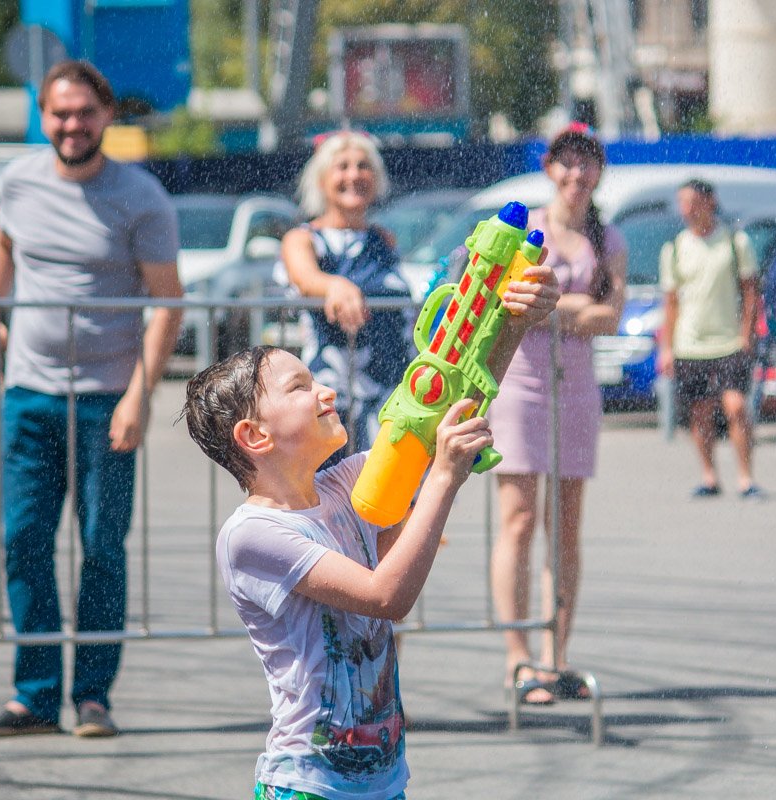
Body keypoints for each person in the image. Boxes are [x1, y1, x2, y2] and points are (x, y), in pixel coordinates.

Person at [181, 249, 556, 799]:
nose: (325, 391)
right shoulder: (253, 535)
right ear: (254, 436)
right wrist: (444, 478)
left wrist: (512, 319)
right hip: (306, 787)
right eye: (300, 388)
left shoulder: (352, 482)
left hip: (384, 781)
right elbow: (386, 596)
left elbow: (455, 407)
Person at [0, 60, 182, 738]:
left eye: (85, 113)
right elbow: (3, 243)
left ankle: (92, 698)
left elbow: (168, 303)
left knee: (102, 549)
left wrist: (138, 398)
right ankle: (33, 695)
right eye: (60, 113)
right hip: (28, 395)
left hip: (104, 402)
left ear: (106, 116)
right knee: (23, 540)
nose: (72, 125)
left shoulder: (140, 197)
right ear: (43, 114)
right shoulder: (18, 180)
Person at [487, 124, 626, 706]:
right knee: (518, 520)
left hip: (576, 388)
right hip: (521, 381)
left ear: (598, 172)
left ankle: (556, 655)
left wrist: (550, 306)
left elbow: (612, 316)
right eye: (566, 164)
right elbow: (501, 298)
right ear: (549, 168)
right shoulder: (528, 229)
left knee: (565, 529)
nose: (576, 176)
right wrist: (576, 308)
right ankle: (519, 658)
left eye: (586, 165)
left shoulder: (607, 238)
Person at [279, 131, 414, 467]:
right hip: (330, 399)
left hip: (391, 394)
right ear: (322, 180)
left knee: (391, 506)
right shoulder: (303, 238)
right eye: (342, 167)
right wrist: (334, 286)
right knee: (329, 499)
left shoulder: (384, 239)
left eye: (363, 166)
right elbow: (304, 277)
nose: (354, 175)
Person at [658, 178, 762, 499]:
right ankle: (709, 476)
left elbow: (750, 292)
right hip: (690, 343)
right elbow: (671, 303)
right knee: (700, 412)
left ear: (710, 202)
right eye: (682, 202)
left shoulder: (734, 241)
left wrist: (747, 334)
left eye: (691, 201)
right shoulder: (674, 248)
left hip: (729, 341)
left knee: (736, 407)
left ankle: (745, 477)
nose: (686, 209)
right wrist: (666, 347)